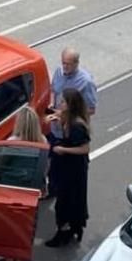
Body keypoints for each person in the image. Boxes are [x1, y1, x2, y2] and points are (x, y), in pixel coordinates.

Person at [45, 88, 91, 247]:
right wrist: (56, 118)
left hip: (74, 169)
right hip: (70, 166)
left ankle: (64, 233)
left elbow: (85, 148)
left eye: (63, 101)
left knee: (65, 201)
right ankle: (74, 228)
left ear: (71, 104)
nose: (60, 103)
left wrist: (63, 150)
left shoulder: (77, 125)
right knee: (70, 199)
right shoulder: (69, 118)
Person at [48, 49, 97, 196]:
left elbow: (91, 109)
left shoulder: (86, 82)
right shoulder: (58, 72)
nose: (64, 67)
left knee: (68, 168)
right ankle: (53, 190)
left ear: (76, 63)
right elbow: (53, 90)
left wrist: (64, 114)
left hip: (70, 133)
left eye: (68, 64)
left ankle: (66, 193)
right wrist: (52, 105)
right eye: (63, 63)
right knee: (54, 164)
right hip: (56, 128)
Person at [3, 106, 46, 261]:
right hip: (31, 190)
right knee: (25, 226)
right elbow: (44, 167)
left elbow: (2, 163)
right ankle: (19, 259)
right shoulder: (42, 141)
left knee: (9, 225)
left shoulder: (13, 142)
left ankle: (8, 260)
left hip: (12, 190)